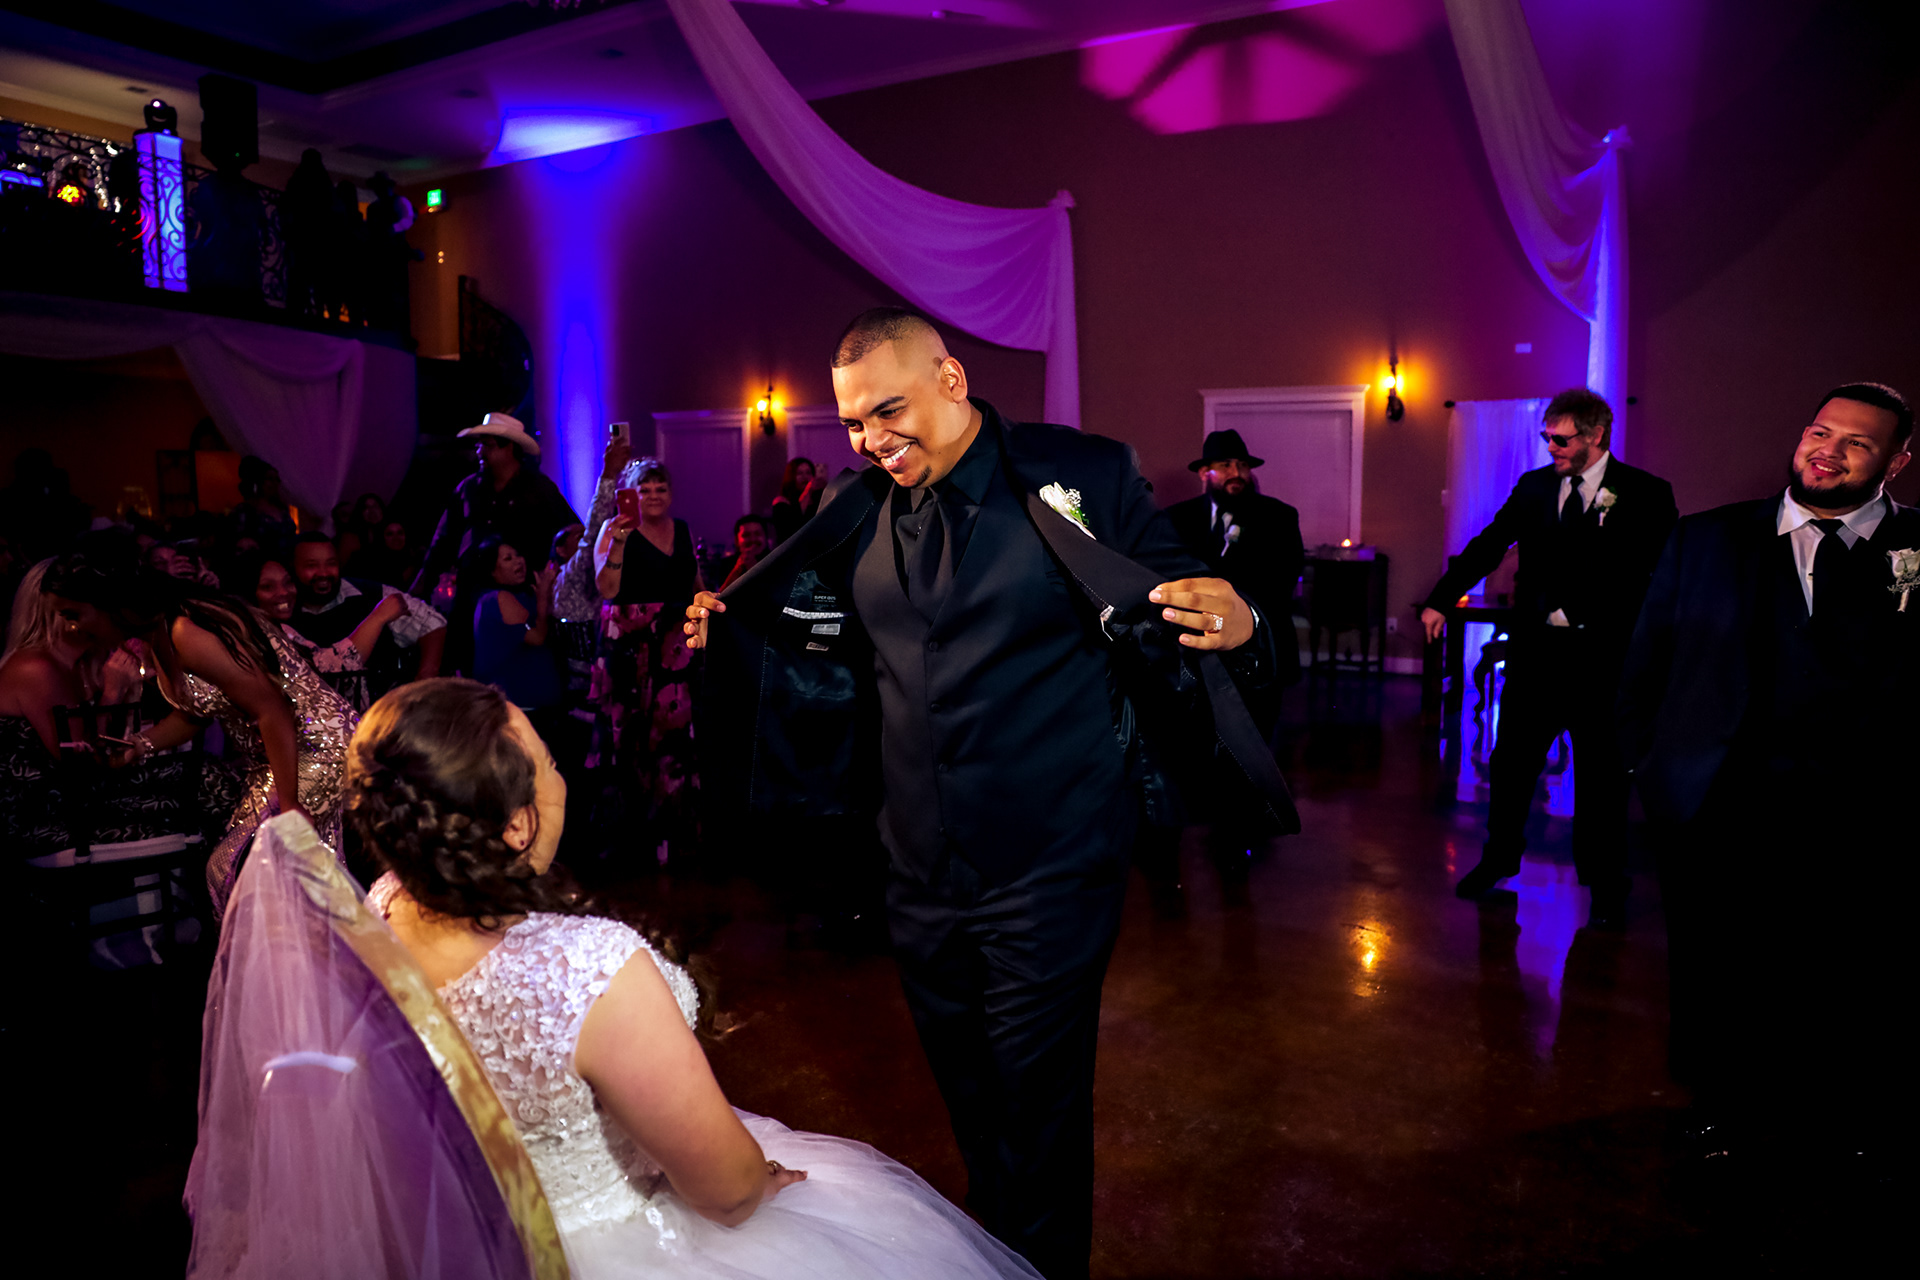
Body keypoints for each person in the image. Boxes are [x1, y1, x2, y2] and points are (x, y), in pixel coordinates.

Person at [687, 308, 1294, 1279]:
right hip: (917, 869)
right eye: (853, 423)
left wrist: (1241, 614)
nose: (871, 440)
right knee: (972, 1097)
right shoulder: (853, 503)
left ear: (951, 380)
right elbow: (823, 629)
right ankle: (993, 1252)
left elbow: (1180, 585)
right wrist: (735, 620)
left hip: (1054, 862)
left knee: (1038, 1107)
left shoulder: (1081, 473)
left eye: (888, 411)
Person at [315, 677, 1041, 1277]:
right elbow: (727, 1193)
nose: (561, 775)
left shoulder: (379, 908)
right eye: (550, 763)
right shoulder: (590, 969)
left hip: (459, 1241)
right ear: (516, 827)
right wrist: (757, 1181)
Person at [1618, 381, 1916, 1157]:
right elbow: (1645, 665)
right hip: (1720, 799)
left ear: (1896, 461)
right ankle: (1720, 1103)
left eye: (1857, 443)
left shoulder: (1918, 550)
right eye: (1821, 432)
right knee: (1718, 964)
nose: (1828, 451)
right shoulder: (1705, 538)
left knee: (1857, 967)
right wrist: (1653, 769)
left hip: (1867, 808)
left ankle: (1854, 1118)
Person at [1418, 389, 1676, 928]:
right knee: (1511, 765)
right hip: (1537, 656)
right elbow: (1490, 543)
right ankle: (1498, 859)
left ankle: (1605, 883)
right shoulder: (1535, 487)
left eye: (1561, 439)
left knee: (1603, 777)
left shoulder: (1645, 493)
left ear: (1596, 435)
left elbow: (1660, 576)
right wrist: (1441, 599)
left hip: (1603, 661)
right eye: (1547, 438)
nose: (1551, 448)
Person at [44, 537, 357, 919]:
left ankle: (332, 949)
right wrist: (139, 745)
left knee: (244, 875)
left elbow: (272, 709)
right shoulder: (157, 633)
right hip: (280, 755)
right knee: (243, 877)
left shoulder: (185, 631)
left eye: (73, 613)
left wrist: (291, 808)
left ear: (106, 601)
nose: (71, 626)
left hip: (317, 744)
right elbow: (195, 712)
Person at [590, 456, 702, 866]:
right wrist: (619, 542)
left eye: (661, 488)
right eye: (644, 489)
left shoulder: (682, 529)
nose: (653, 496)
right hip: (628, 642)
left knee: (673, 740)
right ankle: (629, 837)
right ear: (631, 494)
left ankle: (671, 835)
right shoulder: (613, 528)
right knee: (628, 737)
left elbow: (695, 583)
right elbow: (606, 589)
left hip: (674, 644)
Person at [411, 412, 580, 603]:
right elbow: (442, 542)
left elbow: (571, 532)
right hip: (471, 596)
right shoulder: (469, 488)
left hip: (524, 598)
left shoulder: (539, 489)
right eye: (479, 445)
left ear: (509, 447)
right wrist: (421, 585)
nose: (480, 452)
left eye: (488, 445)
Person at [285, 533, 446, 704]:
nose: (323, 573)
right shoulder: (282, 611)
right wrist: (377, 618)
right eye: (311, 565)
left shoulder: (370, 593)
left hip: (382, 712)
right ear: (292, 569)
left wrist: (425, 679)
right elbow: (327, 667)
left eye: (331, 563)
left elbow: (432, 622)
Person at [467, 535, 562, 721]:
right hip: (520, 708)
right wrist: (543, 598)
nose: (518, 561)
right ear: (492, 570)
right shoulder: (498, 598)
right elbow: (537, 637)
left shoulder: (521, 596)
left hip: (533, 706)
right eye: (508, 558)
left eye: (518, 555)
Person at [555, 434, 633, 623]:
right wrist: (609, 472)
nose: (596, 541)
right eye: (578, 538)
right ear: (561, 550)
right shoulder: (571, 572)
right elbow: (593, 535)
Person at [770, 456, 824, 543]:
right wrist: (807, 492)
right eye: (799, 473)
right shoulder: (781, 501)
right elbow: (792, 528)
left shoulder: (818, 499)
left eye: (808, 473)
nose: (805, 477)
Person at [715, 513, 772, 589]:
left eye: (757, 534)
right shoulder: (725, 565)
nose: (752, 539)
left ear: (765, 537)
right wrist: (737, 571)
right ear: (736, 540)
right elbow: (719, 594)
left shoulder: (776, 561)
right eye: (746, 535)